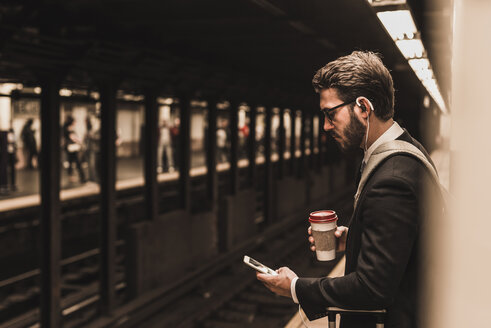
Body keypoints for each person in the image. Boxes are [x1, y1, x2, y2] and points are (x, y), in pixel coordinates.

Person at [256, 51, 441, 328]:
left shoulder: (392, 179)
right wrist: (354, 239)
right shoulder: (408, 148)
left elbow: (372, 288)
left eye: (331, 114)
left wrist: (295, 287)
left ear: (363, 108)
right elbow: (405, 239)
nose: (326, 125)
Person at [63, 115, 86, 183]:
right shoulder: (68, 129)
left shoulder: (66, 128)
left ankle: (72, 177)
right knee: (77, 162)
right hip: (72, 148)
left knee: (71, 162)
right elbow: (73, 137)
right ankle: (82, 177)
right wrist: (80, 142)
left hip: (69, 148)